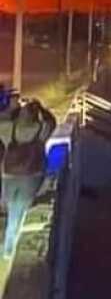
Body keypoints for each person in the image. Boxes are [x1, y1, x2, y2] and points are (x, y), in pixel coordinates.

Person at [1, 98, 56, 259]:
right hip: (31, 176)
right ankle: (10, 246)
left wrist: (14, 110)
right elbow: (52, 122)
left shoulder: (10, 129)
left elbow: (2, 118)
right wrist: (41, 107)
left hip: (9, 175)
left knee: (12, 210)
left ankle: (9, 244)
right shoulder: (40, 129)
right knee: (19, 212)